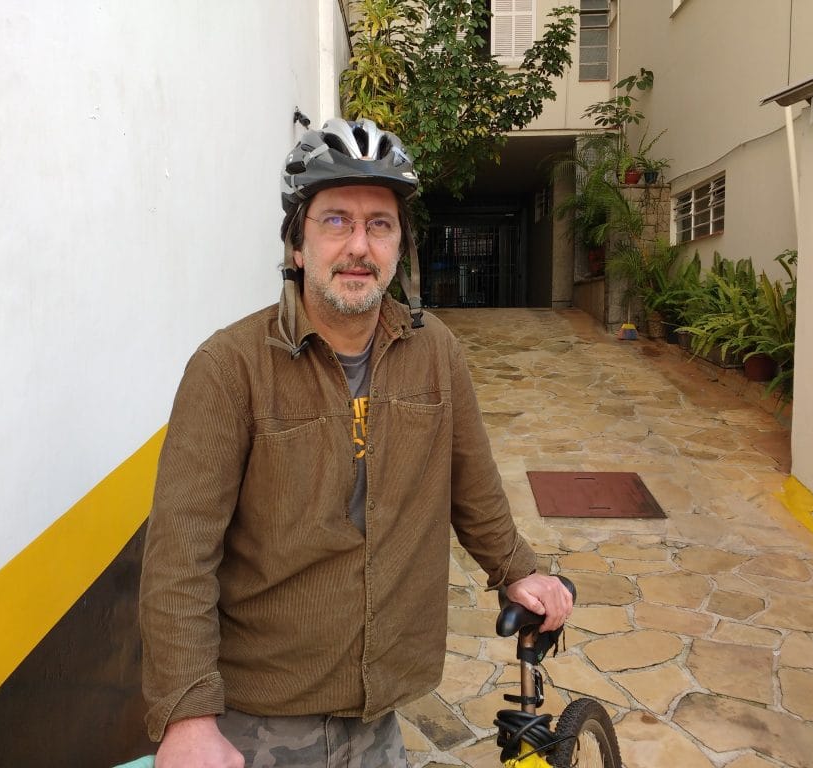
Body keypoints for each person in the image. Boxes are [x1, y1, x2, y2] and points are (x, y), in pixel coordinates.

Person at [139, 117, 573, 768]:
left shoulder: (436, 355)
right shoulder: (229, 370)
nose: (358, 246)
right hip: (259, 719)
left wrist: (518, 570)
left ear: (400, 247)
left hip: (378, 711)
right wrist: (187, 714)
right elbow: (180, 558)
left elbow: (472, 484)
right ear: (297, 245)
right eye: (335, 220)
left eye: (379, 224)